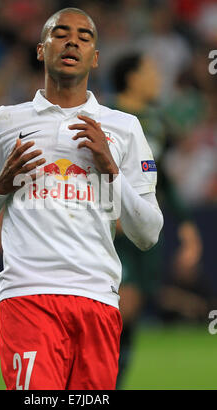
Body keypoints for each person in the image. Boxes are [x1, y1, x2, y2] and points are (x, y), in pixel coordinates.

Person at [0, 8, 163, 390]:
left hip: (98, 298)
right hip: (28, 296)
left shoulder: (124, 127)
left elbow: (148, 232)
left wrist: (111, 171)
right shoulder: (3, 123)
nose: (72, 41)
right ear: (41, 50)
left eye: (84, 36)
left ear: (95, 57)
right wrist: (0, 186)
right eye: (61, 33)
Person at [110, 52, 202, 388]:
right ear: (132, 77)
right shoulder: (105, 115)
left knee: (132, 310)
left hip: (143, 228)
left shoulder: (157, 122)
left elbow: (163, 179)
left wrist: (188, 227)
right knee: (123, 304)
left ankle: (112, 383)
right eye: (151, 71)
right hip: (110, 231)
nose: (157, 78)